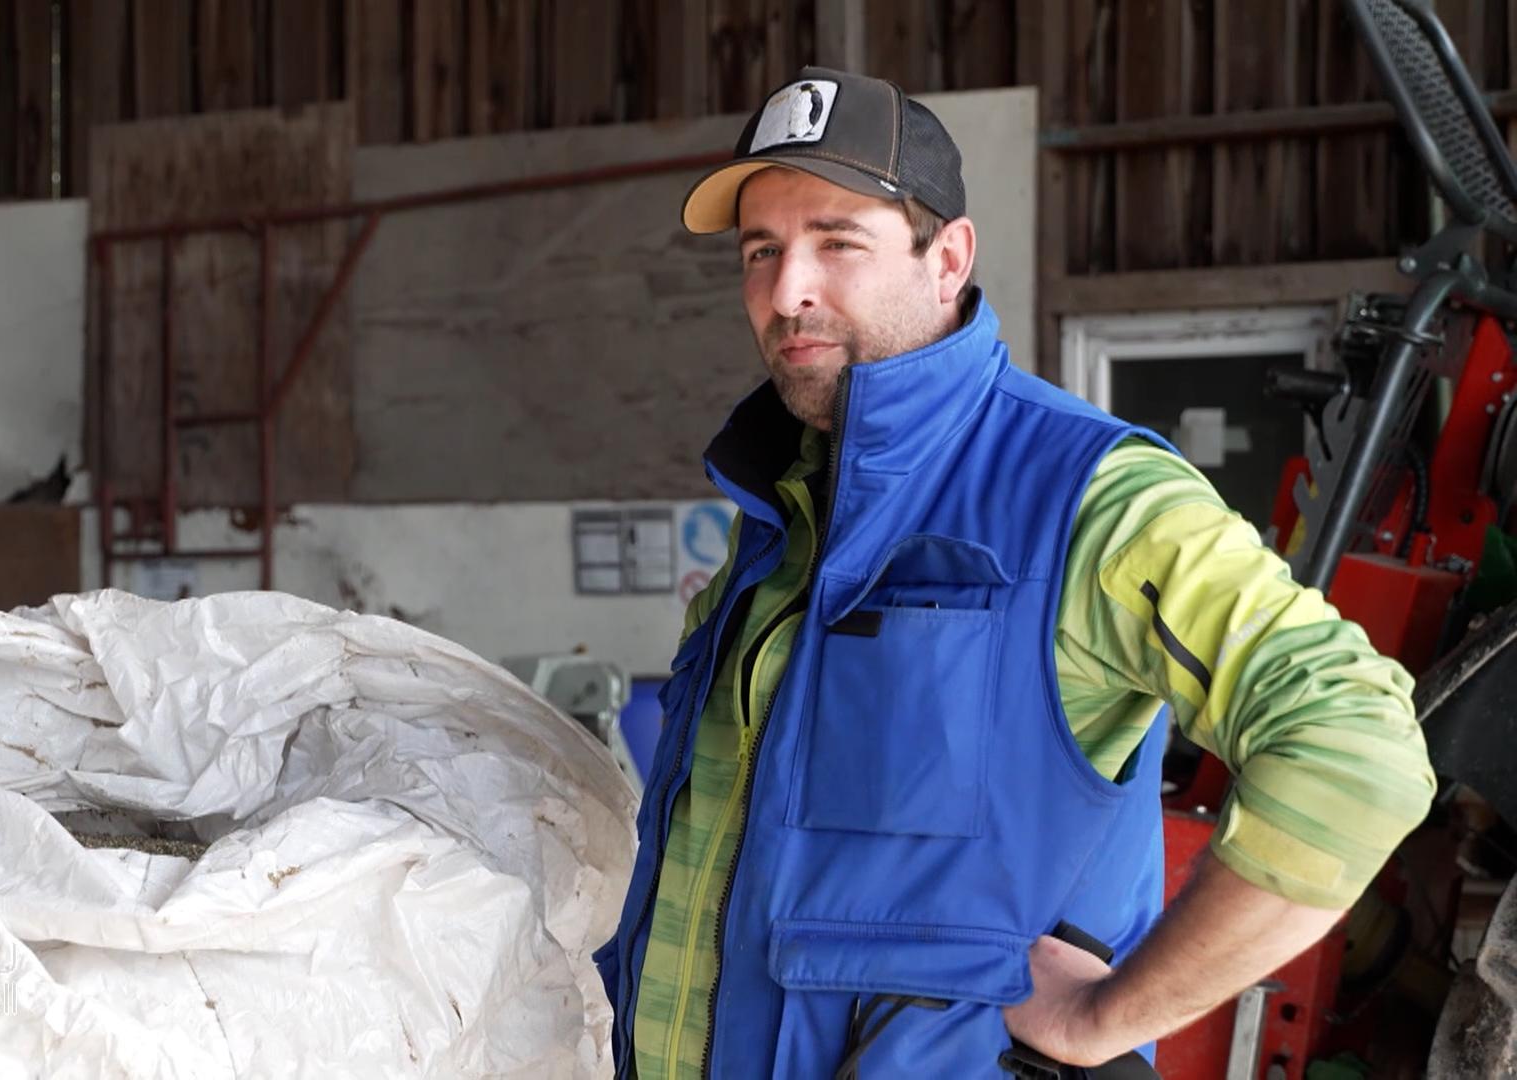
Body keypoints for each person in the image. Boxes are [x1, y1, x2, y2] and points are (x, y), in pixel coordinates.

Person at [592, 66, 1436, 1078]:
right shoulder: (780, 512)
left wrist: (1108, 1014)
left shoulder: (1087, 495)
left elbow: (1355, 747)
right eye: (762, 251)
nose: (787, 292)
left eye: (837, 243)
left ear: (947, 260)